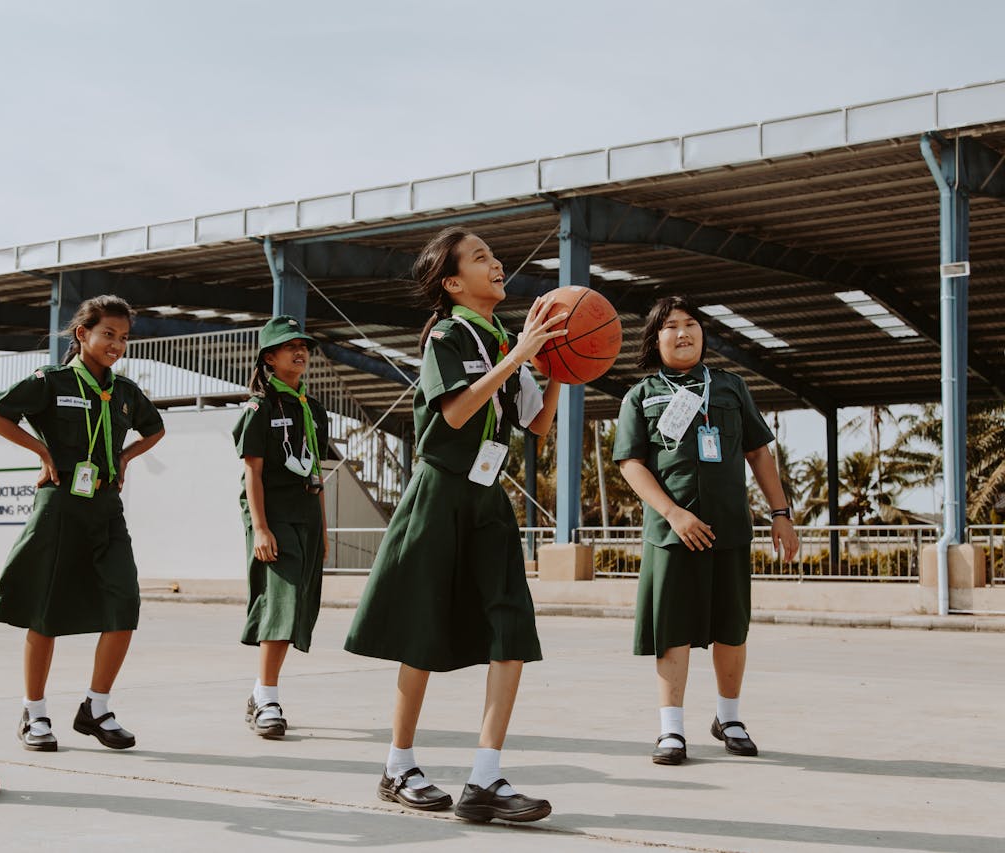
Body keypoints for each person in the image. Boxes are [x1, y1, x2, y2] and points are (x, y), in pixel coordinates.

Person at [344, 227, 568, 823]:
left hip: (488, 497)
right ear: (452, 282)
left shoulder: (502, 339)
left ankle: (485, 779)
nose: (496, 264)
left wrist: (561, 371)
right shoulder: (450, 335)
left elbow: (536, 425)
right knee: (422, 630)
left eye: (494, 254)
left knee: (513, 629)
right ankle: (398, 765)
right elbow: (458, 408)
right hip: (440, 492)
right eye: (480, 258)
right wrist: (518, 355)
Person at [612, 295, 799, 766]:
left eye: (691, 324)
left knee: (730, 630)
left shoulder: (732, 388)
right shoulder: (641, 395)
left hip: (729, 531)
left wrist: (781, 514)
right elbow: (631, 464)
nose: (683, 332)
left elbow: (759, 454)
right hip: (671, 534)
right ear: (655, 339)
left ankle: (729, 718)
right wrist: (674, 514)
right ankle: (670, 731)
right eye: (671, 325)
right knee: (671, 631)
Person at [0, 295, 165, 752]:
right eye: (108, 335)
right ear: (83, 334)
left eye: (123, 337)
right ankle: (34, 712)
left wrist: (125, 457)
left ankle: (96, 708)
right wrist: (41, 451)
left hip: (105, 507)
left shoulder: (123, 393)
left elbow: (155, 429)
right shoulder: (52, 381)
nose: (117, 345)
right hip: (61, 505)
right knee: (46, 611)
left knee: (124, 605)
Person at [233, 315, 330, 739]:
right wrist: (261, 529)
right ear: (269, 358)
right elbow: (251, 474)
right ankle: (268, 699)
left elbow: (315, 473)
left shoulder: (314, 409)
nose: (301, 352)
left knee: (298, 607)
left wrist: (324, 530)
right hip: (273, 515)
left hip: (306, 513)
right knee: (283, 602)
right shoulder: (259, 408)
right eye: (290, 346)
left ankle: (259, 692)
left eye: (304, 346)